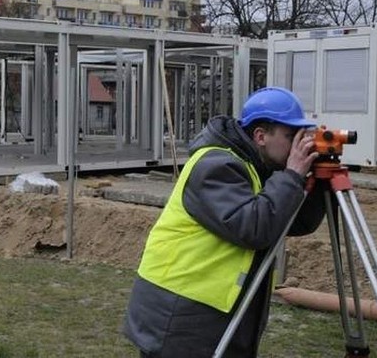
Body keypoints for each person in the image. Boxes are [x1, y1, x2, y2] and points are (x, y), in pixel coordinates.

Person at [123, 86, 326, 358]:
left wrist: (317, 180)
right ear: (260, 136)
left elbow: (295, 222)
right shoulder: (216, 166)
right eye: (291, 136)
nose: (298, 144)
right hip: (179, 315)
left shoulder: (258, 167)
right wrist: (291, 176)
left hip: (210, 315)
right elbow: (254, 228)